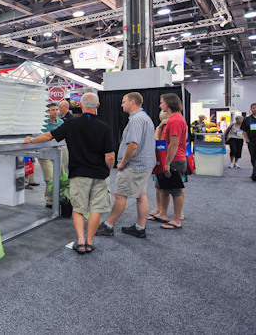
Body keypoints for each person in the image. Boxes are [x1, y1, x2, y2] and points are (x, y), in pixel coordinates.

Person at [25, 93, 115, 254]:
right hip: (99, 174)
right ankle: (90, 242)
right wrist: (107, 170)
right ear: (98, 106)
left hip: (79, 174)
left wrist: (31, 140)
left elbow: (48, 136)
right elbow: (110, 156)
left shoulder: (71, 124)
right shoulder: (105, 127)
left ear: (80, 105)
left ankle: (80, 242)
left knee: (79, 209)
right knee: (96, 209)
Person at [96, 92, 155, 238]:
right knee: (141, 194)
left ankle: (108, 225)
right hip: (144, 164)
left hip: (134, 166)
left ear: (132, 102)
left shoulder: (136, 120)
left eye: (124, 101)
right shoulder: (144, 117)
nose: (121, 105)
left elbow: (133, 145)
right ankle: (140, 228)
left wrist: (122, 163)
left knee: (120, 195)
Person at [151, 93, 188, 230]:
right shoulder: (172, 120)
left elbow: (174, 144)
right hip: (169, 159)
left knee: (176, 191)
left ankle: (176, 220)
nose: (160, 105)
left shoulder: (175, 120)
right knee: (164, 189)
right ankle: (163, 214)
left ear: (169, 103)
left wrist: (167, 163)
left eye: (162, 102)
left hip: (174, 160)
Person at [36, 103, 65, 205]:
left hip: (57, 152)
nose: (55, 112)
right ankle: (49, 200)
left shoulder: (61, 122)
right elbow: (42, 137)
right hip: (45, 153)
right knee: (49, 178)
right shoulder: (43, 123)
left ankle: (57, 197)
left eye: (56, 109)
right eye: (53, 110)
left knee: (61, 176)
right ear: (48, 111)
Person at [240, 103, 256, 181]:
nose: (255, 109)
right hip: (251, 142)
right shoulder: (247, 119)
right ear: (251, 109)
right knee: (253, 157)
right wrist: (247, 140)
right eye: (253, 108)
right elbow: (244, 130)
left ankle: (254, 174)